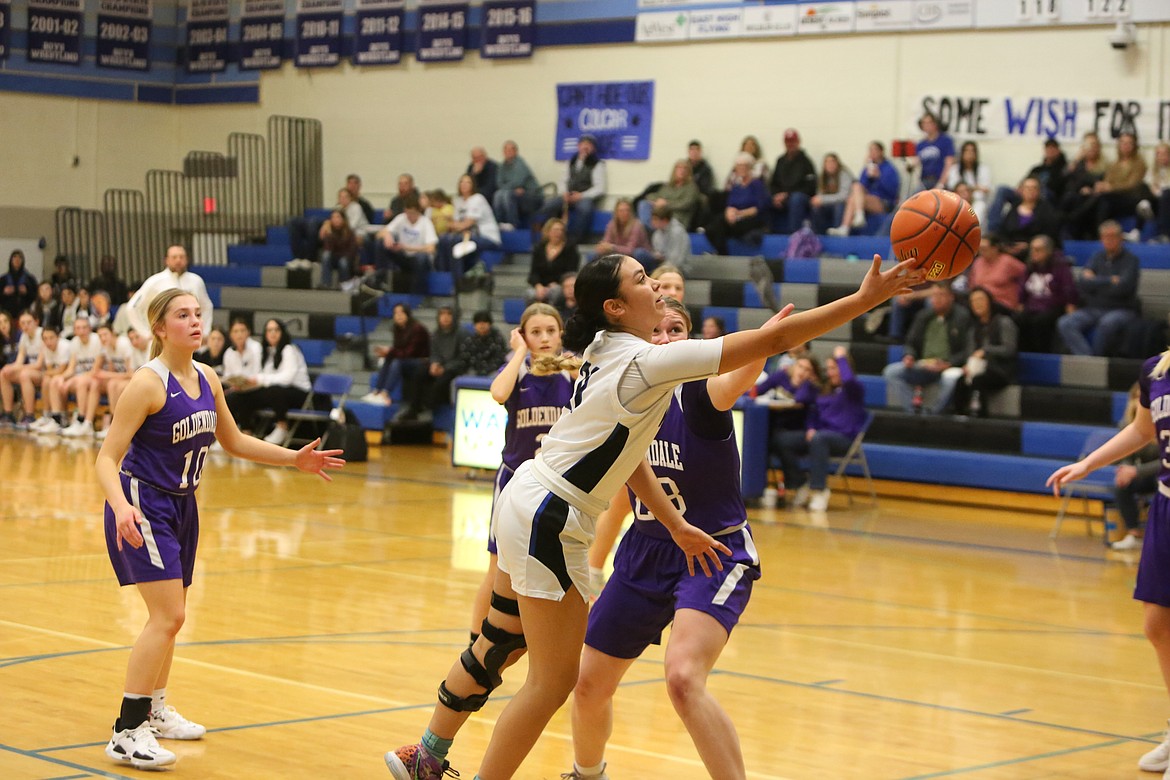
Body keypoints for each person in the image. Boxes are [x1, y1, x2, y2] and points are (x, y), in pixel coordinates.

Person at [384, 251, 921, 780]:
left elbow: (628, 452)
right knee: (553, 683)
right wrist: (864, 298)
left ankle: (427, 756)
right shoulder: (646, 362)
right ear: (616, 306)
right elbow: (776, 340)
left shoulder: (603, 346)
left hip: (527, 496)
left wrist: (675, 523)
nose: (658, 288)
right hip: (552, 514)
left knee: (500, 640)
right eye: (644, 281)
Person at [97, 289, 343, 771]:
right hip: (144, 504)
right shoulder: (148, 384)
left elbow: (232, 440)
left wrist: (294, 458)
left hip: (184, 506)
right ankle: (127, 731)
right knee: (166, 617)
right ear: (160, 328)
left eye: (197, 314)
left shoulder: (207, 376)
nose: (194, 321)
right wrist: (121, 506)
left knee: (176, 613)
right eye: (182, 315)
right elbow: (106, 458)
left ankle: (155, 709)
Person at [567, 297, 765, 780]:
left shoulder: (701, 392)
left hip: (714, 551)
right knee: (588, 683)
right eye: (655, 331)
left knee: (681, 679)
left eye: (676, 330)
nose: (664, 339)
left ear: (693, 343)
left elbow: (739, 374)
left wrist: (765, 341)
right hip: (646, 549)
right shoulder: (629, 402)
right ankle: (586, 774)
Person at [1045, 348, 1170, 779]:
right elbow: (1141, 431)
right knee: (1156, 626)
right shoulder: (1157, 370)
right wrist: (1087, 463)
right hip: (1167, 510)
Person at [468, 303, 577, 656]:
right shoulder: (517, 372)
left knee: (562, 568)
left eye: (551, 330)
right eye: (535, 332)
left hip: (559, 487)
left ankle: (552, 641)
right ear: (523, 336)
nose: (544, 338)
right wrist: (517, 353)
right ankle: (474, 642)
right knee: (496, 566)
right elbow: (498, 394)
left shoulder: (572, 374)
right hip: (515, 482)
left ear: (561, 334)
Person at [776, 345, 866, 512]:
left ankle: (819, 490)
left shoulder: (854, 389)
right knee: (784, 440)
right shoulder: (826, 390)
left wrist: (840, 357)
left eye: (834, 368)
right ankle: (799, 482)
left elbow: (849, 380)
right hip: (820, 436)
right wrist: (810, 428)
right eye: (829, 368)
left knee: (819, 439)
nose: (830, 372)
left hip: (843, 438)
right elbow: (813, 414)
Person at [882, 282, 971, 415]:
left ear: (951, 297)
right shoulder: (923, 316)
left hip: (949, 366)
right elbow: (910, 343)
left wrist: (949, 363)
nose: (937, 299)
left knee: (950, 379)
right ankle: (913, 411)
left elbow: (967, 349)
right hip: (924, 364)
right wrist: (909, 356)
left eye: (941, 295)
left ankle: (933, 414)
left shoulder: (962, 317)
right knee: (891, 372)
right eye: (934, 295)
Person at [1057, 220, 1140, 357]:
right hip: (1093, 308)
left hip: (1122, 308)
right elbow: (1083, 283)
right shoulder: (1097, 257)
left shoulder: (1131, 260)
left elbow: (1124, 288)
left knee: (1106, 324)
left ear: (1120, 238)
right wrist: (1110, 280)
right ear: (1101, 239)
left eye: (1113, 236)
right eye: (1105, 237)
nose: (1109, 240)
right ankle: (1088, 359)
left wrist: (1095, 282)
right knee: (1065, 323)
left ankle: (1098, 362)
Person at [224, 318, 314, 445]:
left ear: (282, 332)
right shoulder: (268, 352)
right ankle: (246, 433)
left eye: (276, 330)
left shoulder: (289, 349)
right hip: (277, 392)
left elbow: (287, 378)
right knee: (241, 396)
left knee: (274, 390)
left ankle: (282, 427)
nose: (273, 333)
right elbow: (265, 376)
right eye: (269, 330)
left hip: (299, 393)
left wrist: (260, 379)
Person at [1108, 382, 1161, 552]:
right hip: (1144, 475)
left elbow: (1165, 461)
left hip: (1161, 475)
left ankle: (1160, 539)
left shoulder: (1162, 423)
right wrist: (1126, 470)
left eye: (1143, 398)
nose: (1139, 402)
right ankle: (1134, 534)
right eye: (1136, 398)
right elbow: (1125, 455)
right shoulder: (1128, 424)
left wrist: (1135, 471)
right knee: (1121, 486)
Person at [125, 246, 214, 345]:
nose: (178, 260)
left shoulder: (196, 281)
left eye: (181, 257)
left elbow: (207, 307)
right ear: (167, 260)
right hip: (163, 339)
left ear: (187, 259)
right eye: (174, 257)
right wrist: (146, 333)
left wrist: (205, 332)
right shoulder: (155, 281)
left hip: (190, 339)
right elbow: (132, 307)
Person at [952, 287, 1018, 417]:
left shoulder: (1004, 322)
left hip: (1001, 369)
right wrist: (968, 365)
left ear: (989, 301)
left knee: (978, 380)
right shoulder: (973, 329)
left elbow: (1009, 349)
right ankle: (959, 416)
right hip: (979, 368)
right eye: (974, 301)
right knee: (961, 380)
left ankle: (981, 416)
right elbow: (969, 353)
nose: (977, 304)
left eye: (980, 299)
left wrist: (986, 351)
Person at [534, 134, 607, 243]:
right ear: (578, 146)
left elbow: (599, 188)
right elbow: (563, 180)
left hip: (584, 197)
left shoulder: (597, 164)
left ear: (593, 148)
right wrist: (564, 193)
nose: (585, 147)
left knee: (585, 209)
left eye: (589, 145)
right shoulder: (571, 162)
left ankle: (575, 239)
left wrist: (581, 195)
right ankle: (543, 236)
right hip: (568, 195)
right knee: (548, 205)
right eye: (583, 144)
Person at [1017, 235, 1077, 353]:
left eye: (1038, 250)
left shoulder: (1061, 266)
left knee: (1040, 322)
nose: (1034, 253)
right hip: (1033, 306)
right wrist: (1020, 305)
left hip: (1053, 307)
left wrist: (1071, 311)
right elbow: (1022, 290)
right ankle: (1025, 355)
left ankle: (1042, 355)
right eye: (1032, 249)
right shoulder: (1029, 267)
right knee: (1018, 319)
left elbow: (1069, 290)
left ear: (1048, 251)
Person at [361, 303, 430, 407]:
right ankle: (376, 391)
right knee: (389, 358)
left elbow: (410, 353)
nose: (398, 316)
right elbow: (398, 350)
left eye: (401, 313)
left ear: (407, 314)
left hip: (421, 361)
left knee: (396, 361)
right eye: (396, 313)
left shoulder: (417, 329)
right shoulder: (397, 329)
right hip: (406, 360)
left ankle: (385, 393)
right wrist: (387, 353)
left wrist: (390, 351)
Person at [437, 174, 503, 280]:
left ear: (473, 185)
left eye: (468, 182)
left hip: (487, 238)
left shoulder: (478, 199)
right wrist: (453, 225)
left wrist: (453, 225)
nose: (464, 185)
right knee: (443, 239)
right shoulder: (458, 201)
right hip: (468, 236)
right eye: (462, 182)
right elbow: (455, 225)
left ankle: (458, 280)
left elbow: (466, 224)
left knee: (455, 240)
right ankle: (444, 275)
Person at [401, 306, 460, 424]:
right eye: (442, 315)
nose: (445, 318)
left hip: (454, 368)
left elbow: (462, 358)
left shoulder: (461, 334)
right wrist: (434, 364)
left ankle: (428, 409)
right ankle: (414, 408)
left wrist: (445, 368)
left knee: (442, 381)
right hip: (439, 366)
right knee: (419, 372)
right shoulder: (435, 334)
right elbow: (433, 353)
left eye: (449, 314)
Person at [45, 316, 103, 436]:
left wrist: (76, 378)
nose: (81, 331)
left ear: (90, 328)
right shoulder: (74, 342)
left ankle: (81, 420)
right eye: (78, 328)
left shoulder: (97, 340)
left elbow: (95, 370)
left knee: (81, 382)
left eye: (84, 327)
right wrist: (62, 377)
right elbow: (71, 369)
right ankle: (57, 419)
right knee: (55, 381)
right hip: (79, 378)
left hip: (95, 379)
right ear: (74, 330)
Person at [830, 141, 900, 236]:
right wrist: (867, 175)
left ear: (881, 152)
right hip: (867, 200)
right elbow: (861, 187)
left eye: (875, 150)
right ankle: (856, 217)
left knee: (853, 198)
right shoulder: (867, 168)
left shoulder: (889, 168)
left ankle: (847, 225)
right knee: (854, 190)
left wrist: (879, 177)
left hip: (884, 202)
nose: (872, 153)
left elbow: (892, 191)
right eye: (870, 150)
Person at [704, 152, 769, 255]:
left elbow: (758, 208)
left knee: (727, 227)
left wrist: (740, 213)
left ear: (749, 167)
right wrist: (729, 213)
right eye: (739, 166)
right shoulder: (736, 186)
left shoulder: (757, 184)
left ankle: (722, 255)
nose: (741, 169)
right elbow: (730, 204)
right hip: (735, 218)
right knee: (712, 228)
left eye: (744, 166)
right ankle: (723, 254)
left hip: (751, 218)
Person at [375, 194, 438, 295]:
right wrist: (387, 235)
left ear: (418, 211)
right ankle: (380, 279)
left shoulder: (426, 223)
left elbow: (431, 248)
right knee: (381, 244)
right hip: (404, 256)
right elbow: (379, 234)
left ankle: (417, 293)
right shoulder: (401, 218)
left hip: (419, 259)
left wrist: (407, 247)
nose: (410, 216)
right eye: (407, 213)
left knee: (421, 258)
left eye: (412, 213)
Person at [18, 324, 72, 431]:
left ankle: (59, 418)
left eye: (51, 338)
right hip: (59, 376)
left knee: (52, 381)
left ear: (58, 337)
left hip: (71, 374)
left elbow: (62, 370)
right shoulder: (46, 348)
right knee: (47, 380)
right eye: (45, 339)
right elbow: (50, 369)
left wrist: (46, 374)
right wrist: (46, 374)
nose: (48, 341)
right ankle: (47, 416)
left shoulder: (65, 346)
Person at [767, 128, 817, 234]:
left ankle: (794, 234)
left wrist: (788, 194)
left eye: (793, 141)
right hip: (783, 197)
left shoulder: (806, 162)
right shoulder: (780, 161)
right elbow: (773, 183)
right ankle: (768, 232)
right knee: (764, 198)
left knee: (796, 199)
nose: (790, 144)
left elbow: (810, 187)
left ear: (798, 142)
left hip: (800, 197)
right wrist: (775, 195)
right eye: (788, 142)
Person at [1000, 177, 1063, 258]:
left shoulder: (1047, 210)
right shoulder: (1013, 208)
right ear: (1021, 190)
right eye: (1027, 188)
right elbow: (1003, 231)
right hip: (1011, 250)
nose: (1030, 191)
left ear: (1039, 191)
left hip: (1035, 252)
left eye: (1034, 188)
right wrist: (1008, 246)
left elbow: (1050, 235)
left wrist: (1029, 245)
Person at [0, 310, 42, 426]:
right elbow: (19, 360)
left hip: (44, 373)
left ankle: (30, 415)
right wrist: (10, 367)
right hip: (30, 371)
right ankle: (8, 414)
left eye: (28, 322)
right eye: (22, 323)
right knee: (4, 374)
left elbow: (39, 365)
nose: (25, 326)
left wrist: (20, 368)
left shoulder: (42, 334)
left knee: (24, 375)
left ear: (36, 322)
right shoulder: (24, 336)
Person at [636, 159, 702, 232]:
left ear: (689, 172)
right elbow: (653, 196)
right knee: (643, 204)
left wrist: (666, 203)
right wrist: (657, 201)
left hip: (677, 217)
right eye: (679, 168)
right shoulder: (668, 186)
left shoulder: (691, 187)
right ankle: (649, 227)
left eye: (685, 168)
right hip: (660, 214)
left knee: (654, 218)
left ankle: (650, 228)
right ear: (674, 171)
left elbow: (685, 204)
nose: (682, 171)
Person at [527, 218, 579, 306]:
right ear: (548, 231)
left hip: (560, 285)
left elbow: (571, 272)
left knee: (556, 293)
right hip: (541, 285)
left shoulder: (570, 249)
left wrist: (559, 283)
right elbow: (533, 272)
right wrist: (538, 286)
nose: (558, 233)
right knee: (530, 294)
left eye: (561, 230)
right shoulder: (539, 249)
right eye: (555, 230)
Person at [968, 234, 1027, 311]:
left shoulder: (1008, 262)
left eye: (984, 249)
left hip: (1003, 305)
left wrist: (1022, 300)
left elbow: (1026, 274)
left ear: (995, 248)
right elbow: (972, 285)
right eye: (980, 249)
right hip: (982, 306)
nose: (981, 252)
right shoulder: (978, 262)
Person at [493, 140, 542, 229]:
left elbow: (517, 181)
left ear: (516, 151)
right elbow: (499, 183)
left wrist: (507, 189)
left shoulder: (520, 163)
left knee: (507, 194)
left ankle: (512, 223)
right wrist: (509, 189)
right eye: (506, 150)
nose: (508, 152)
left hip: (531, 194)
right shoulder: (501, 166)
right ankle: (499, 223)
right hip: (515, 192)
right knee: (498, 194)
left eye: (511, 150)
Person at [594, 198, 653, 269]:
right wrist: (603, 247)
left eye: (627, 210)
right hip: (620, 254)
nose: (625, 213)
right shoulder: (612, 224)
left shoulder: (637, 225)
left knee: (638, 253)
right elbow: (607, 242)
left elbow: (630, 250)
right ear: (616, 212)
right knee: (593, 255)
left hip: (637, 256)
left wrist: (612, 247)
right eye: (621, 211)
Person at [946, 141, 991, 227]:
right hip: (957, 204)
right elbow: (953, 188)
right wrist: (975, 188)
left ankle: (969, 229)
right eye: (967, 151)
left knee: (977, 210)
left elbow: (986, 189)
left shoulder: (983, 169)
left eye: (972, 151)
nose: (969, 154)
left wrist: (968, 189)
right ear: (962, 153)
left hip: (974, 203)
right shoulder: (954, 169)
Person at [453, 311, 508, 378]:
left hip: (493, 371)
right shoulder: (469, 340)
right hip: (473, 371)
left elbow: (499, 359)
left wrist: (485, 370)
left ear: (490, 324)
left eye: (485, 322)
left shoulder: (498, 339)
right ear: (474, 325)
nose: (481, 325)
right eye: (478, 322)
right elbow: (464, 359)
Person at [810, 153, 854, 234]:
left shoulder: (844, 174)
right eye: (827, 162)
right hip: (828, 205)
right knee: (816, 208)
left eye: (832, 162)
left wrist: (823, 199)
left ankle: (837, 232)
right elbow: (820, 195)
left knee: (839, 205)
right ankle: (818, 235)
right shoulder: (822, 177)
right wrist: (819, 200)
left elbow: (843, 196)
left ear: (837, 163)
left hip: (843, 204)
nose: (830, 165)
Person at [317, 209, 360, 290]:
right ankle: (326, 283)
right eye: (333, 217)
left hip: (346, 258)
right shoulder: (329, 232)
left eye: (338, 217)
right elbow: (327, 248)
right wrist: (329, 234)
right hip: (333, 257)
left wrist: (343, 256)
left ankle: (344, 285)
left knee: (343, 262)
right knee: (326, 255)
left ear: (343, 219)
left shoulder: (350, 233)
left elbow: (352, 251)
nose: (335, 220)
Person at [912, 111, 956, 191]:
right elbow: (916, 161)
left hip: (939, 179)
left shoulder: (945, 141)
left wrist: (941, 183)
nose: (926, 126)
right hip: (924, 180)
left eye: (929, 122)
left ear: (935, 124)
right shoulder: (921, 144)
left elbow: (949, 164)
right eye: (924, 123)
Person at [222, 318, 263, 390]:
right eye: (235, 331)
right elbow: (227, 376)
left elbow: (258, 372)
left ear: (248, 333)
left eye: (242, 331)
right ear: (231, 335)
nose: (239, 334)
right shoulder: (228, 353)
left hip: (255, 388)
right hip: (236, 390)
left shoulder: (256, 348)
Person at [648, 205, 691, 272]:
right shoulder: (657, 233)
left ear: (665, 220)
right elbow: (658, 251)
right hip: (662, 264)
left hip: (678, 269)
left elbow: (677, 260)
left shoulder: (677, 232)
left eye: (655, 219)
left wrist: (662, 268)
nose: (652, 222)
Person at [1, 249, 38, 318]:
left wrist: (27, 292)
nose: (17, 260)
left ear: (22, 261)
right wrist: (4, 293)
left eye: (19, 258)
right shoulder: (3, 279)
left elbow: (36, 296)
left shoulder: (30, 279)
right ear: (11, 260)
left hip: (25, 313)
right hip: (7, 314)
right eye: (14, 257)